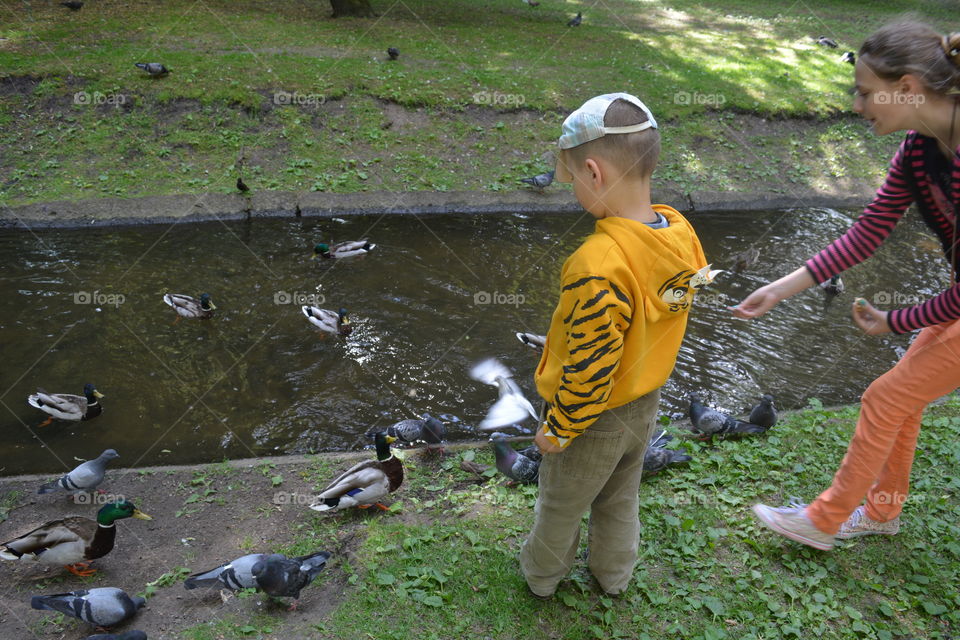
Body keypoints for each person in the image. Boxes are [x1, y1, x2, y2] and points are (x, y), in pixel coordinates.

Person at [734, 21, 960, 551]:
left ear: (906, 87)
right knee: (902, 399)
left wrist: (897, 320)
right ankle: (881, 514)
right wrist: (780, 289)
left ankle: (823, 519)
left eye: (863, 92)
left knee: (884, 398)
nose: (857, 105)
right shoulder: (916, 149)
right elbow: (867, 232)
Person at [520, 92, 709, 597]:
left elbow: (590, 365)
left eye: (573, 181)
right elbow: (681, 296)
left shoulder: (597, 262)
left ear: (593, 172)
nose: (574, 191)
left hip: (592, 418)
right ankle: (614, 575)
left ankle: (541, 578)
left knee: (561, 502)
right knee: (620, 498)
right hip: (645, 403)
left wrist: (559, 429)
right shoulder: (678, 231)